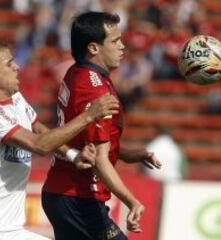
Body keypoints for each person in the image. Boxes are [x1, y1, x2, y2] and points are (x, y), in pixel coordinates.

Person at [0, 40, 119, 240]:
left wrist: (72, 154)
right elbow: (38, 145)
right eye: (9, 63)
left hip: (9, 231)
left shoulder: (16, 99)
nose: (17, 67)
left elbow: (38, 129)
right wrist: (89, 116)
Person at [42, 11, 162, 240]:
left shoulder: (80, 72)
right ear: (94, 48)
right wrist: (132, 201)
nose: (123, 47)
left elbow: (87, 139)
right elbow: (99, 159)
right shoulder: (94, 87)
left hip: (69, 194)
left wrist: (125, 154)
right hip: (77, 195)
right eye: (115, 41)